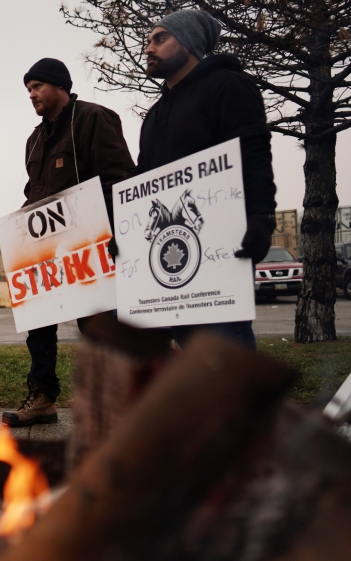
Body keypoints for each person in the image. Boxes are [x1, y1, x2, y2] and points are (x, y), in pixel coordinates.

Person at [119, 9, 276, 349]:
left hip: (221, 249)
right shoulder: (154, 115)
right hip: (171, 257)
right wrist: (126, 237)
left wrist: (262, 218)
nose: (148, 47)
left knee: (223, 354)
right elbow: (143, 184)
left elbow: (253, 154)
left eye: (160, 38)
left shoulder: (229, 86)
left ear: (189, 43)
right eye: (148, 40)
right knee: (190, 358)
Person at [2, 59, 137, 428]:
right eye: (28, 89)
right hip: (46, 249)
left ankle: (116, 399)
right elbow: (37, 192)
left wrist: (111, 231)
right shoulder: (35, 138)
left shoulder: (94, 118)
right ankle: (42, 397)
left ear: (61, 86)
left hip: (91, 245)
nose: (31, 95)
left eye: (37, 86)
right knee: (39, 325)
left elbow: (120, 178)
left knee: (97, 325)